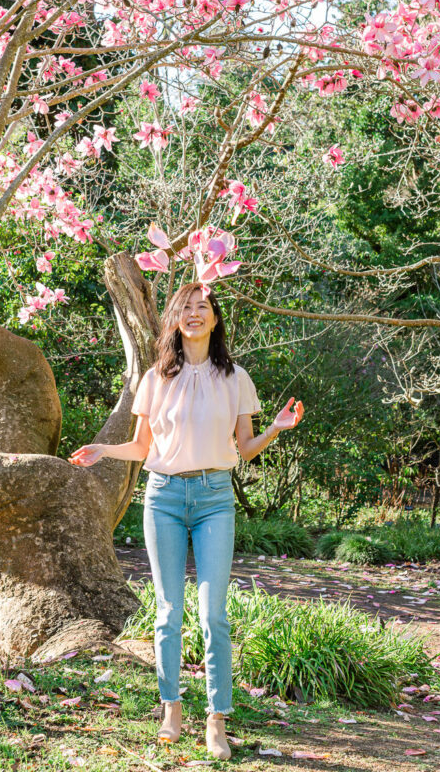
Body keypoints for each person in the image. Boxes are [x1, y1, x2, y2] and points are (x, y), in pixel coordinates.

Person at [69, 281, 304, 760]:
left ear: (215, 320)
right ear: (176, 319)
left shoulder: (236, 378)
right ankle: (171, 708)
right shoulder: (156, 378)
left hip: (215, 497)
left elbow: (244, 448)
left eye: (204, 307)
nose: (195, 314)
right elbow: (141, 448)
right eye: (186, 308)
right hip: (164, 499)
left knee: (213, 613)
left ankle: (216, 720)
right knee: (168, 611)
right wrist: (103, 450)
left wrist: (276, 429)